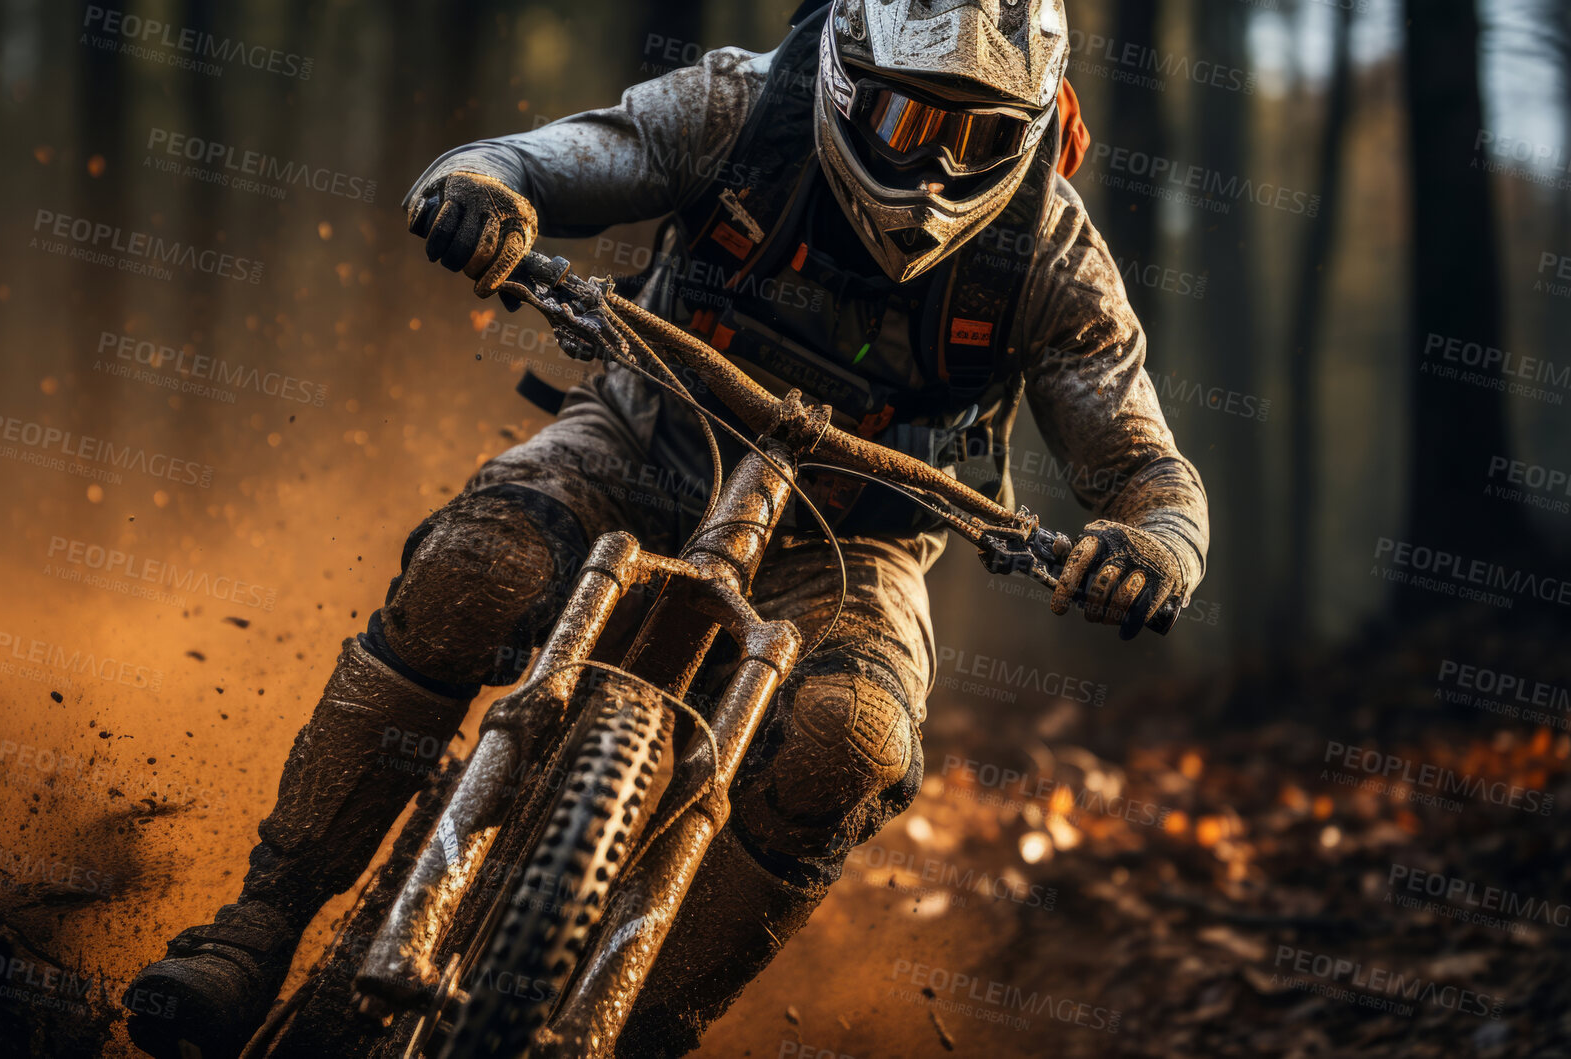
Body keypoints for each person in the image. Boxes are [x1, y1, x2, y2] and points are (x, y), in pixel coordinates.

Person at [126, 1, 1208, 1055]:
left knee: (854, 741)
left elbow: (1144, 466)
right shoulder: (732, 108)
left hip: (849, 544)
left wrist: (1155, 545)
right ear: (839, 78)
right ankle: (256, 927)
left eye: (975, 137)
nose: (931, 171)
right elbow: (537, 158)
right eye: (908, 122)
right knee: (475, 568)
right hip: (638, 443)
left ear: (1032, 128)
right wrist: (483, 191)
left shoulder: (1054, 259)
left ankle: (635, 1030)